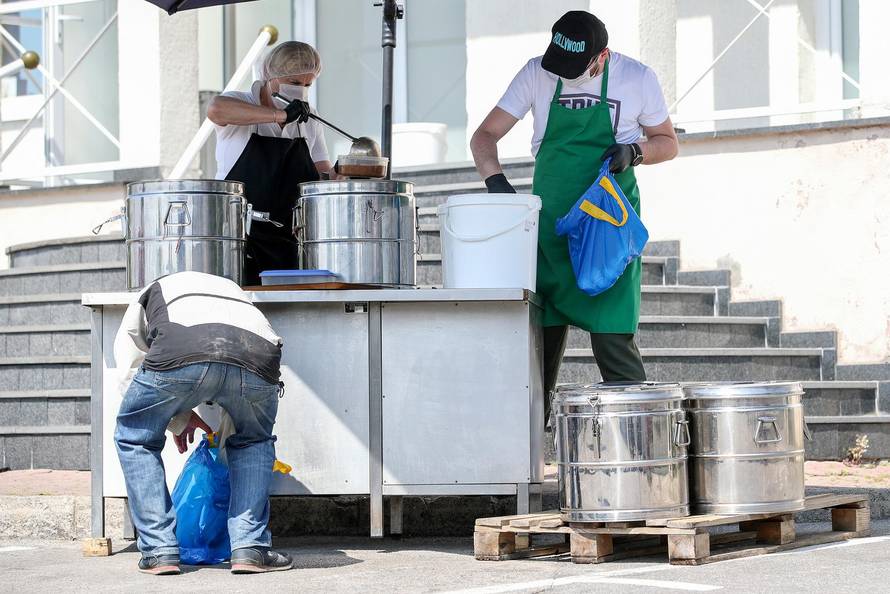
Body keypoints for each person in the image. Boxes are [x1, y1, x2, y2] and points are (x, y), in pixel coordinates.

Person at [470, 11, 679, 420]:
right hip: (549, 234)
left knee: (615, 346)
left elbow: (668, 143)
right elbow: (484, 136)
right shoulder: (536, 73)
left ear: (602, 57)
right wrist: (497, 185)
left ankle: (634, 463)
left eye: (576, 67)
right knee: (534, 362)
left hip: (608, 231)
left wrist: (635, 152)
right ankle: (522, 470)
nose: (563, 75)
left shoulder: (637, 78)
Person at [113, 271, 290, 575]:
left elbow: (131, 368)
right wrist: (185, 416)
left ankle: (159, 551)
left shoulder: (154, 289)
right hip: (257, 358)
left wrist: (177, 419)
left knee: (136, 438)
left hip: (180, 351)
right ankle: (250, 549)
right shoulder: (231, 289)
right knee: (253, 440)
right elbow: (227, 362)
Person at [208, 41, 334, 286]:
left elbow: (321, 176)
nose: (302, 90)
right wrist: (280, 116)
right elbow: (215, 109)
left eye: (308, 84)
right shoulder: (240, 102)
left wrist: (342, 174)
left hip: (288, 240)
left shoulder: (309, 119)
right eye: (295, 83)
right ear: (270, 77)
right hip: (238, 238)